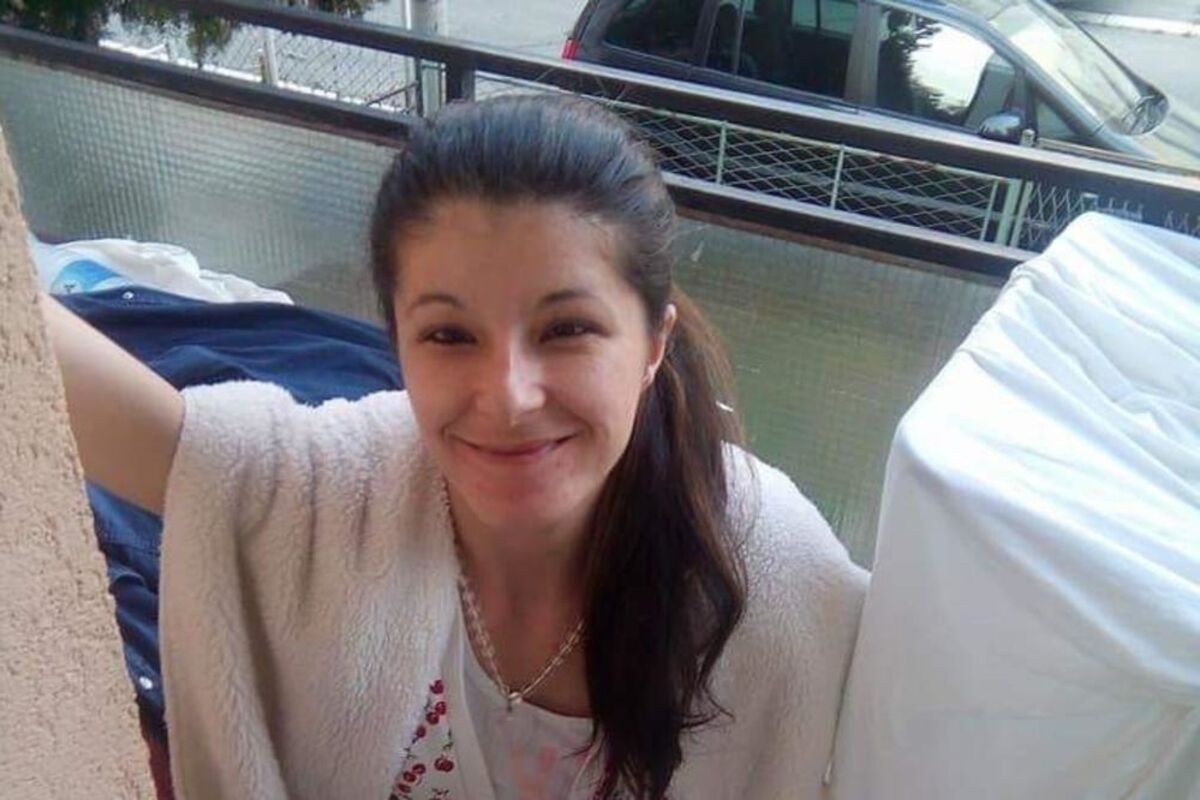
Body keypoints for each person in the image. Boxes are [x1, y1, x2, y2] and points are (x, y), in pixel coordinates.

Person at [43, 95, 867, 800]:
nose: (507, 396)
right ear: (398, 347)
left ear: (653, 343)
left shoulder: (775, 573)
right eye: (449, 334)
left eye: (567, 329)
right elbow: (136, 422)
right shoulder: (337, 493)